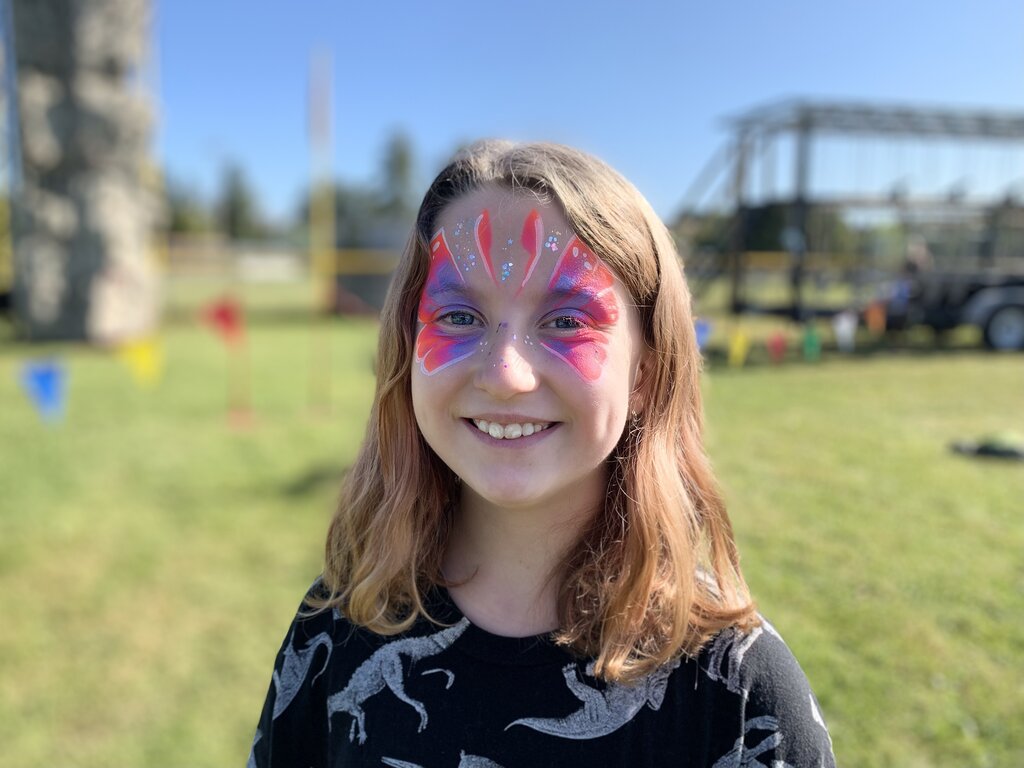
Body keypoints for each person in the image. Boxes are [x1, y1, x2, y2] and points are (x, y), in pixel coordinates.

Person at [249, 141, 836, 767]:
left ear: (645, 372)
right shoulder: (335, 629)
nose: (505, 375)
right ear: (407, 348)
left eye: (565, 322)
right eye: (459, 316)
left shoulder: (740, 694)